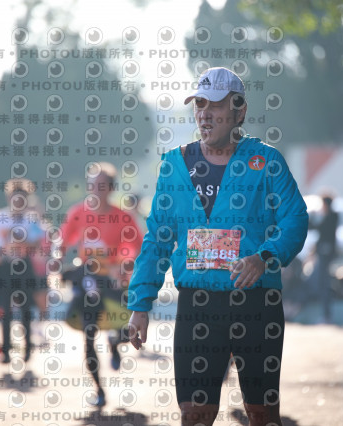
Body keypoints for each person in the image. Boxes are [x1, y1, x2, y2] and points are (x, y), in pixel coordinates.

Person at [127, 67, 309, 426]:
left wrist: (265, 256)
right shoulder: (175, 165)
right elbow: (158, 238)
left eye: (215, 105)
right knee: (194, 415)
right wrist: (140, 304)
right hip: (199, 305)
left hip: (257, 303)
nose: (205, 114)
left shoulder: (266, 161)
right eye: (199, 104)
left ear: (239, 111)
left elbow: (295, 220)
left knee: (262, 414)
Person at [59, 162, 143, 407]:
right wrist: (56, 260)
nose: (96, 190)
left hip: (114, 282)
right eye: (92, 185)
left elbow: (137, 248)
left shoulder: (122, 217)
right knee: (89, 334)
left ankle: (116, 343)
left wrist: (123, 266)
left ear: (111, 189)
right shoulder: (78, 213)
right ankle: (99, 391)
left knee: (127, 327)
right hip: (87, 281)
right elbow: (62, 242)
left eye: (101, 186)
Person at [0, 178, 44, 363]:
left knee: (25, 308)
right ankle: (6, 350)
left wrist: (22, 242)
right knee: (4, 308)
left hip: (23, 265)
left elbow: (38, 243)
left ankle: (27, 348)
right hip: (4, 266)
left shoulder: (31, 219)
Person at [310, 194, 339, 323]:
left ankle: (327, 315)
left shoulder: (332, 217)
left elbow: (321, 229)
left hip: (326, 254)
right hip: (323, 253)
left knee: (324, 283)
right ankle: (326, 314)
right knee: (322, 282)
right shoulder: (328, 217)